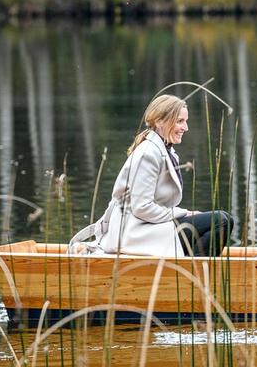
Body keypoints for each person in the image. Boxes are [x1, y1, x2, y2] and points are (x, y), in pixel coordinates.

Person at [72, 93, 233, 257]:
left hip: (151, 228)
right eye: (180, 121)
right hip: (135, 234)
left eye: (185, 121)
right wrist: (184, 213)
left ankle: (190, 270)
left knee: (221, 220)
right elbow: (142, 208)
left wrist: (184, 214)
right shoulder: (148, 154)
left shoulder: (165, 151)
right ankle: (194, 276)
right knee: (221, 221)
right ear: (159, 122)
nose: (186, 127)